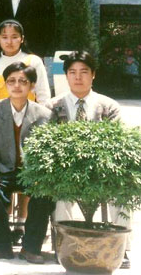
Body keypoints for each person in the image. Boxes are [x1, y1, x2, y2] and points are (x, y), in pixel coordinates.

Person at [48, 51, 131, 270]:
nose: (78, 77)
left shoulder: (109, 106)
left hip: (101, 171)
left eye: (84, 72)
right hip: (66, 170)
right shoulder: (53, 106)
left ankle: (120, 249)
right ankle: (66, 245)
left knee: (122, 189)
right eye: (72, 72)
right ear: (66, 75)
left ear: (93, 74)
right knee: (60, 192)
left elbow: (119, 142)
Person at [0, 62, 54, 263]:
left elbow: (49, 149)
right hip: (1, 171)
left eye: (22, 81)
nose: (16, 85)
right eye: (11, 81)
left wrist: (41, 174)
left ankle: (31, 248)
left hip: (31, 172)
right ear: (5, 84)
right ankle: (0, 246)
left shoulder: (44, 115)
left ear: (32, 86)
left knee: (45, 192)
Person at [0, 20, 51, 103]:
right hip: (1, 111)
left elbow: (43, 95)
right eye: (4, 37)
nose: (9, 42)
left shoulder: (34, 61)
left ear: (22, 39)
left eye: (14, 37)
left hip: (29, 111)